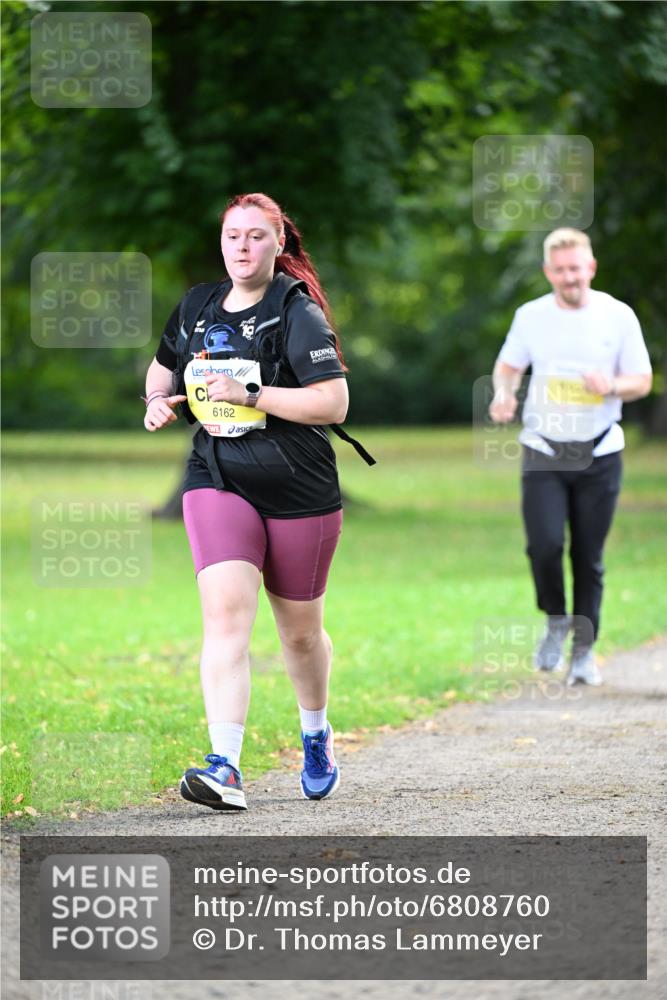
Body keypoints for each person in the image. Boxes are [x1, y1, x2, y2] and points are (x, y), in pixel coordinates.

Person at [143, 192, 351, 810]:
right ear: (222, 242)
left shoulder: (297, 311)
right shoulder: (198, 307)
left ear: (279, 243)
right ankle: (225, 766)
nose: (243, 247)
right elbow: (162, 372)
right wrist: (157, 400)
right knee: (226, 619)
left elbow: (333, 404)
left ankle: (315, 733)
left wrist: (251, 392)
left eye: (257, 236)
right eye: (233, 235)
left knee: (300, 635)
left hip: (298, 487)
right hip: (217, 478)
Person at [489, 228, 652, 686]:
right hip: (543, 448)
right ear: (548, 273)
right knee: (543, 546)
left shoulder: (617, 316)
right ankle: (556, 619)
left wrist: (612, 386)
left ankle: (584, 649)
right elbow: (508, 368)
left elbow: (641, 379)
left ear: (591, 268)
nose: (569, 277)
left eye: (576, 268)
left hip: (600, 450)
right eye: (560, 270)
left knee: (588, 554)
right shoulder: (531, 316)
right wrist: (504, 396)